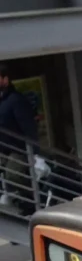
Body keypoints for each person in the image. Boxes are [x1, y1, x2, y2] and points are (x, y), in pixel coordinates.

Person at [0, 64, 39, 212]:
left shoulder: (16, 100)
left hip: (19, 148)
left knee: (13, 174)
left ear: (5, 80)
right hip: (3, 149)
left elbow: (28, 126)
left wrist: (34, 151)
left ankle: (31, 201)